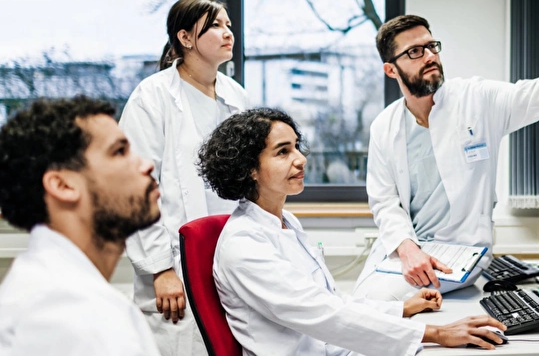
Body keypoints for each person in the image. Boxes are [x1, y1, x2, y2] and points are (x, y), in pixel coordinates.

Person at [354, 15, 539, 301]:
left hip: (459, 253)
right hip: (406, 249)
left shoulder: (476, 100)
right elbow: (384, 200)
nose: (430, 56)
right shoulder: (384, 126)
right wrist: (407, 248)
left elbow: (537, 93)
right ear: (391, 70)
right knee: (358, 302)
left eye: (432, 46)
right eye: (415, 52)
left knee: (376, 303)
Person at [197, 108, 507, 355]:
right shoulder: (243, 245)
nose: (301, 159)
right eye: (283, 152)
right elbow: (323, 315)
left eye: (297, 147)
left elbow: (330, 301)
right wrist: (436, 334)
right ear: (249, 168)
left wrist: (403, 307)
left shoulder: (287, 222)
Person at [119, 0, 253, 356]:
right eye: (215, 25)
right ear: (185, 38)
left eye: (228, 25)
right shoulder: (152, 96)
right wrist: (159, 270)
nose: (228, 33)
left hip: (231, 256)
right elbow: (134, 187)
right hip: (173, 263)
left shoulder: (236, 98)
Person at [0, 96, 162, 356]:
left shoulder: (61, 293)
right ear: (63, 185)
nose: (147, 165)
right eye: (119, 151)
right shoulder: (64, 315)